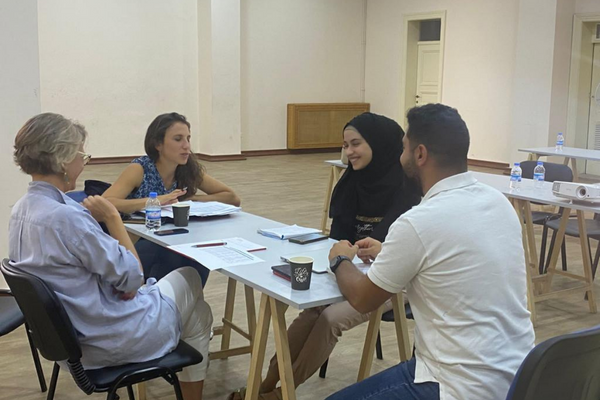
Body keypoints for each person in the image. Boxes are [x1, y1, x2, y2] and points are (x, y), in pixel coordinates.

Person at [326, 104, 535, 400]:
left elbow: (361, 299)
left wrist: (339, 259)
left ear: (420, 154)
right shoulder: (498, 202)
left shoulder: (417, 222)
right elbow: (449, 254)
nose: (400, 157)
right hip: (519, 375)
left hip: (457, 383)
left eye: (404, 149)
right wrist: (390, 250)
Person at [9, 113, 213, 400]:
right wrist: (113, 218)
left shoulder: (21, 209)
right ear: (63, 159)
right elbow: (133, 279)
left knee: (198, 313)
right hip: (106, 342)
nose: (83, 163)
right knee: (190, 279)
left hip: (66, 345)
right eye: (82, 155)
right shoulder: (67, 217)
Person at [233, 113, 420, 400]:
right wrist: (343, 255)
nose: (349, 152)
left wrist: (368, 252)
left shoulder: (407, 189)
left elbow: (400, 251)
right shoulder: (351, 183)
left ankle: (282, 393)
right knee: (313, 311)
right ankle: (266, 386)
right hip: (349, 270)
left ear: (379, 144)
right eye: (345, 145)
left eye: (356, 144)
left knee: (331, 317)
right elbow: (337, 239)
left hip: (394, 279)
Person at [103, 112, 241, 284]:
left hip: (174, 236)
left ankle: (185, 297)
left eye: (188, 139)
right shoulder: (139, 169)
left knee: (198, 253)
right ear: (158, 144)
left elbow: (231, 197)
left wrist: (189, 200)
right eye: (178, 139)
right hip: (140, 240)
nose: (186, 146)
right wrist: (154, 202)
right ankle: (158, 295)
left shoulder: (188, 169)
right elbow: (105, 202)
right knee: (171, 253)